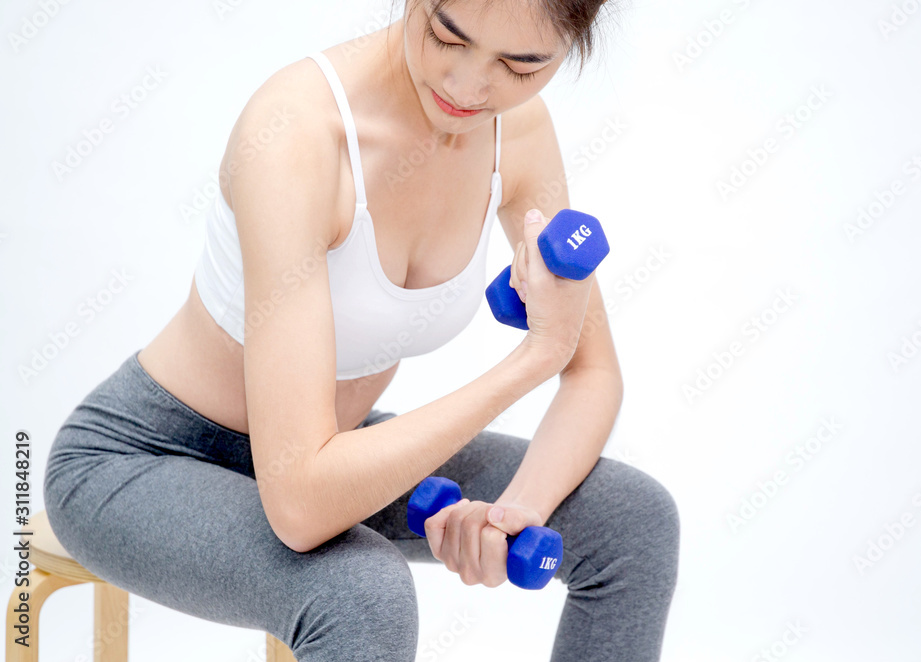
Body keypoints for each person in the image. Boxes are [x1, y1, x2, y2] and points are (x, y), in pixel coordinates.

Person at [43, 0, 680, 659]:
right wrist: (535, 356)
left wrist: (515, 511)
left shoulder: (515, 133)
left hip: (332, 452)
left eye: (520, 66)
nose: (468, 86)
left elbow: (593, 373)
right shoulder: (297, 132)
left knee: (634, 521)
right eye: (446, 36)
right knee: (361, 591)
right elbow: (301, 508)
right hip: (148, 458)